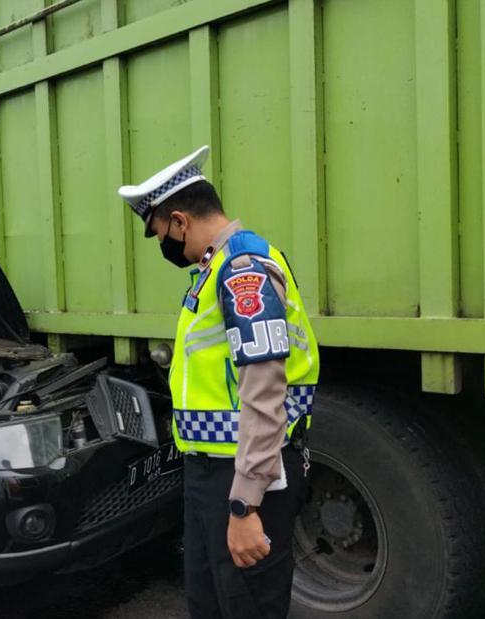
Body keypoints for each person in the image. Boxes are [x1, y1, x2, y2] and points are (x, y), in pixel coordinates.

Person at [119, 146, 320, 618]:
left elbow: (265, 391)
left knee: (246, 603)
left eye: (160, 233)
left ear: (180, 221)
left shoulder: (243, 270)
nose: (163, 245)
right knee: (210, 601)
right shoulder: (213, 269)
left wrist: (245, 505)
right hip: (213, 472)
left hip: (247, 475)